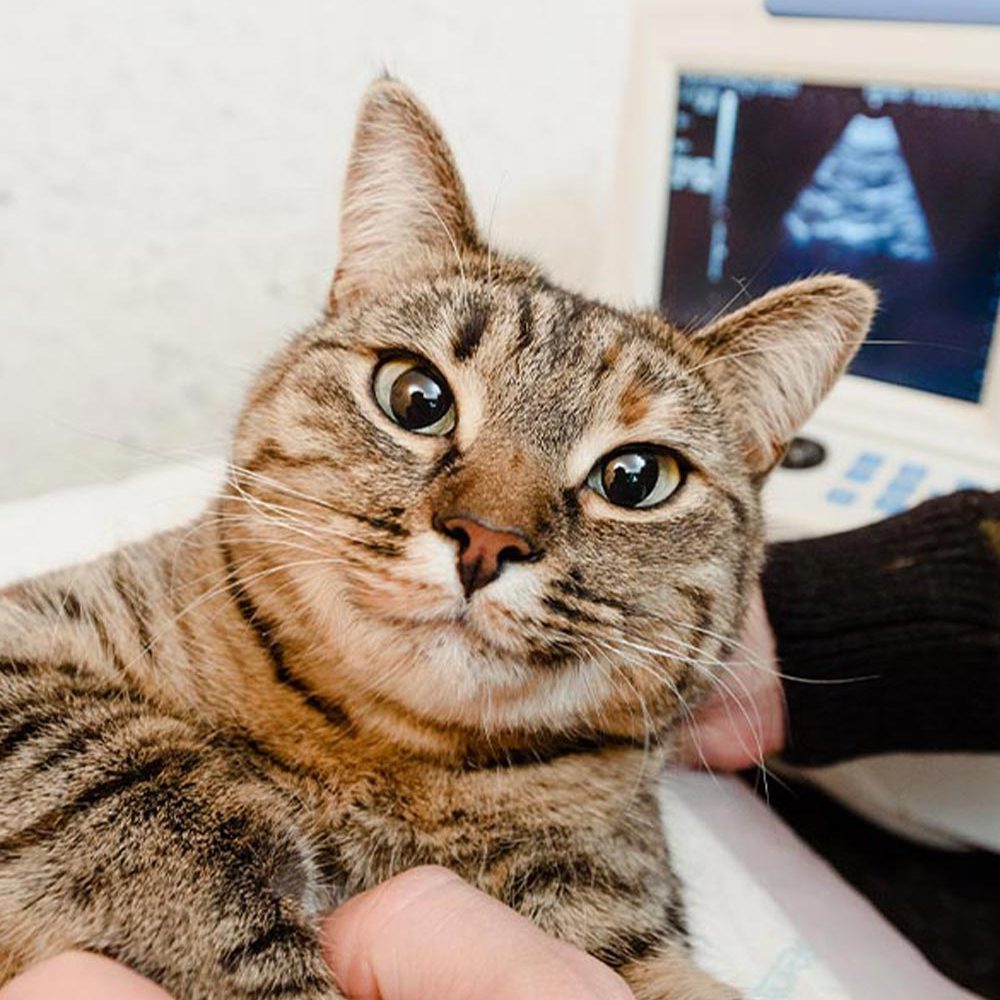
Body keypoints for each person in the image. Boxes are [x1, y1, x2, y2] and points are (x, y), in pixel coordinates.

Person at [2, 491, 996, 1000]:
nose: (492, 531)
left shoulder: (597, 776)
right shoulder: (170, 603)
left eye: (631, 476)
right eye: (419, 396)